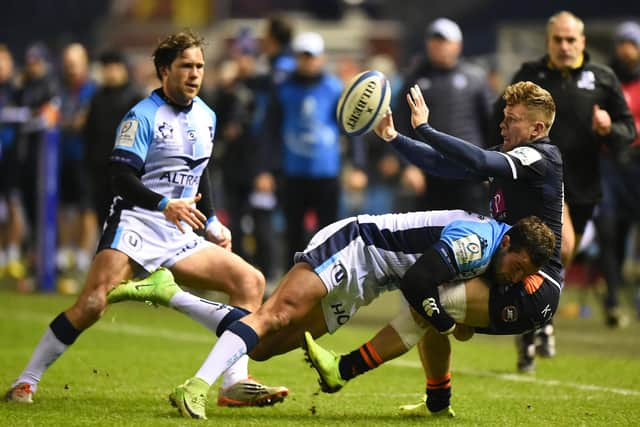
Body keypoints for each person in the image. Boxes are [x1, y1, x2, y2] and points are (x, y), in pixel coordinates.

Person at [4, 30, 287, 407]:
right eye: (186, 66)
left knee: (250, 281)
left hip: (179, 229)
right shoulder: (142, 116)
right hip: (136, 222)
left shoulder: (207, 115)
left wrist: (214, 220)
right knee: (91, 304)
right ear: (164, 70)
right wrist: (163, 204)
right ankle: (26, 380)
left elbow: (201, 171)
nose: (195, 74)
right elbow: (120, 178)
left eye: (200, 66)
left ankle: (233, 383)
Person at [107, 210, 555, 419]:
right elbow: (420, 285)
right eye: (518, 267)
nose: (516, 278)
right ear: (509, 243)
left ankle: (169, 292)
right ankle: (196, 387)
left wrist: (449, 318)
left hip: (371, 279)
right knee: (276, 315)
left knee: (264, 347)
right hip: (356, 244)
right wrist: (444, 320)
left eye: (524, 275)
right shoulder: (476, 241)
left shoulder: (498, 259)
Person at [304, 80, 564, 416]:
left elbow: (481, 162)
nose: (503, 124)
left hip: (535, 284)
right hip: (502, 265)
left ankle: (343, 370)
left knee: (429, 303)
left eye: (512, 118)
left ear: (537, 128)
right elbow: (446, 166)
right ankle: (438, 404)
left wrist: (425, 128)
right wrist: (395, 139)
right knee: (426, 300)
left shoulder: (541, 156)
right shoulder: (512, 154)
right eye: (504, 116)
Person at [495, 11, 635, 371]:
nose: (564, 46)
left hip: (584, 186)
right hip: (538, 182)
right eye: (558, 39)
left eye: (571, 39)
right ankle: (537, 322)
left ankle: (533, 325)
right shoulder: (530, 76)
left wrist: (609, 128)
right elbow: (502, 116)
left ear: (583, 42)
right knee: (561, 246)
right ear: (548, 42)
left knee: (555, 258)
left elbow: (628, 129)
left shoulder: (602, 79)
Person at [257, 31, 366, 268]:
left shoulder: (335, 88)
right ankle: (292, 291)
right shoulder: (282, 89)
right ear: (296, 57)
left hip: (327, 173)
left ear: (322, 57)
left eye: (312, 56)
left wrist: (358, 166)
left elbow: (351, 129)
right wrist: (264, 170)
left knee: (329, 235)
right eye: (303, 56)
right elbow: (270, 131)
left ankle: (328, 286)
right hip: (292, 173)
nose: (308, 61)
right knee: (292, 235)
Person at [396, 17, 493, 215]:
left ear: (458, 45)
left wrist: (490, 168)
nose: (438, 46)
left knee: (470, 232)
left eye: (444, 41)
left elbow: (490, 125)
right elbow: (402, 124)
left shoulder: (475, 78)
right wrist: (408, 166)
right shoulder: (414, 79)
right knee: (428, 233)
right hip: (428, 170)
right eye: (434, 40)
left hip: (468, 171)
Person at [595, 21, 640, 326]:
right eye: (623, 43)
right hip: (608, 162)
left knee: (631, 232)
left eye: (632, 44)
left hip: (637, 162)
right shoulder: (605, 80)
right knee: (609, 231)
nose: (627, 49)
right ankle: (612, 300)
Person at [85, 50, 144, 227]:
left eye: (114, 67)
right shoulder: (97, 97)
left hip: (128, 169)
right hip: (101, 167)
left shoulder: (135, 97)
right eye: (106, 67)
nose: (110, 72)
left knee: (127, 217)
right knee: (101, 214)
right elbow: (90, 131)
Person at [56, 43, 98, 277]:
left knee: (86, 207)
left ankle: (83, 257)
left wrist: (67, 122)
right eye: (67, 64)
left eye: (75, 63)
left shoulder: (92, 90)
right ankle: (65, 254)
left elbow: (82, 121)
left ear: (84, 63)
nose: (71, 68)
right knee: (65, 206)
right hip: (62, 156)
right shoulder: (60, 90)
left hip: (86, 157)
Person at [0, 44, 26, 280]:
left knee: (13, 202)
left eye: (4, 61)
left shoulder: (18, 90)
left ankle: (12, 253)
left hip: (12, 157)